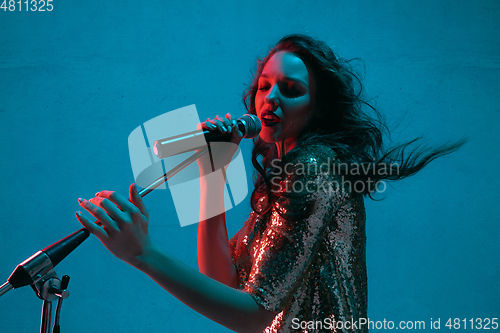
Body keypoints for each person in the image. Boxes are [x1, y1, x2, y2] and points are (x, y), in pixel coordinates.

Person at [75, 34, 464, 332]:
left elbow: (253, 316)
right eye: (264, 86)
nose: (270, 98)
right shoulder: (279, 183)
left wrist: (143, 254)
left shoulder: (313, 169)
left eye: (291, 90)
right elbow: (223, 282)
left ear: (317, 109)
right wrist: (214, 173)